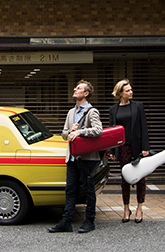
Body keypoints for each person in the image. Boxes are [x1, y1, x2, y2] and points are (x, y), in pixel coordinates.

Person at [48, 80, 103, 234]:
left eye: (78, 88)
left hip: (87, 159)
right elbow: (64, 134)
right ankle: (66, 222)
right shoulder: (71, 112)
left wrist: (81, 131)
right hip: (72, 158)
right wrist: (70, 131)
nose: (74, 89)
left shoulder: (92, 111)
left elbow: (99, 130)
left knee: (88, 190)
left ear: (85, 93)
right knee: (70, 190)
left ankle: (89, 221)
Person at [108, 79, 150, 224]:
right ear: (120, 93)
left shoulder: (138, 106)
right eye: (127, 91)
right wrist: (112, 150)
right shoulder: (114, 110)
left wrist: (145, 148)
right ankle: (126, 208)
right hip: (122, 147)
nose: (131, 92)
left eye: (131, 90)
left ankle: (139, 208)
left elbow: (144, 127)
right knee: (125, 178)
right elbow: (112, 131)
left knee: (141, 178)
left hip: (137, 146)